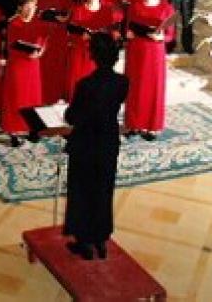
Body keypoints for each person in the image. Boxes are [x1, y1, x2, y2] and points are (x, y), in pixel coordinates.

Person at [64, 33, 129, 260]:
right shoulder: (123, 82)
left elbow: (72, 116)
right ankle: (101, 239)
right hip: (109, 141)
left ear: (93, 56)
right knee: (103, 189)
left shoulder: (86, 85)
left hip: (86, 143)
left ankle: (83, 242)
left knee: (82, 191)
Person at [124, 0, 174, 140]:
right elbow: (128, 26)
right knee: (135, 87)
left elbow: (170, 35)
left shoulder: (166, 8)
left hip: (154, 53)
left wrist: (161, 37)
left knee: (153, 88)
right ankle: (133, 124)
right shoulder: (135, 5)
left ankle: (152, 127)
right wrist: (128, 33)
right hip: (136, 50)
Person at [1, 0, 45, 147]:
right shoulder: (14, 23)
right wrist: (28, 52)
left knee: (33, 98)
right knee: (16, 98)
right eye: (27, 7)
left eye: (33, 7)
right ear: (20, 7)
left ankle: (32, 128)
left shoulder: (37, 22)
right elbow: (11, 47)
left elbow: (42, 41)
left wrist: (40, 51)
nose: (31, 10)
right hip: (18, 66)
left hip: (33, 66)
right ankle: (13, 132)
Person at [66, 0, 123, 101]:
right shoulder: (78, 10)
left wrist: (113, 34)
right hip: (81, 49)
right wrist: (81, 36)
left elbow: (111, 31)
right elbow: (71, 31)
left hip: (99, 52)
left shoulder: (106, 11)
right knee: (79, 80)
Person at [31, 0, 73, 105]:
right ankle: (40, 94)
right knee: (42, 64)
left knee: (58, 64)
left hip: (59, 32)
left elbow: (70, 11)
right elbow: (29, 11)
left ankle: (56, 95)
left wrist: (65, 18)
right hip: (40, 32)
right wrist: (40, 15)